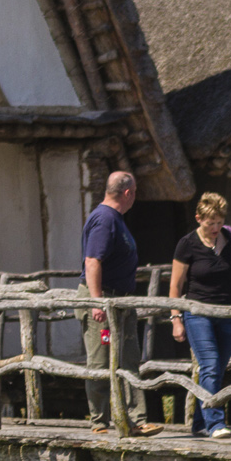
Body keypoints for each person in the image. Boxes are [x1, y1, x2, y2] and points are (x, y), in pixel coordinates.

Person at [171, 191, 231, 437]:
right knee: (211, 365)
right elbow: (175, 285)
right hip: (198, 312)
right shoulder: (187, 244)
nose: (215, 227)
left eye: (218, 221)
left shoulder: (228, 235)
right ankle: (215, 424)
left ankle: (199, 423)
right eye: (210, 222)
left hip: (227, 311)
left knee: (216, 369)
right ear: (198, 218)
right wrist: (176, 319)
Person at [82, 170, 151, 433]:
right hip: (105, 299)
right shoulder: (104, 219)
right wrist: (97, 301)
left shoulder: (115, 219)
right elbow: (92, 261)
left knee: (129, 358)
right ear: (127, 193)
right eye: (135, 192)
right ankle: (99, 421)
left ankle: (136, 420)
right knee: (101, 359)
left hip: (121, 299)